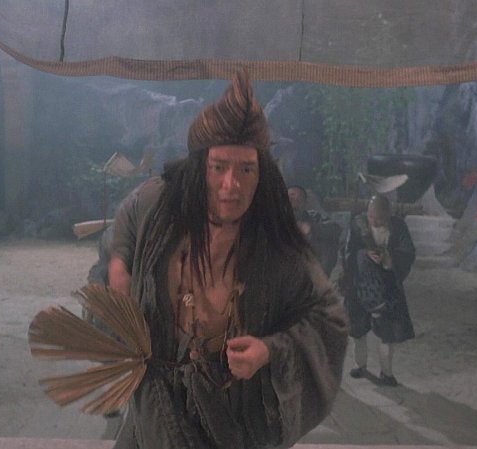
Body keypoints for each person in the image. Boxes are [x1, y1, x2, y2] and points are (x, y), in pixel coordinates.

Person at [107, 71, 347, 448]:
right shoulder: (159, 207)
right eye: (219, 167)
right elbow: (128, 216)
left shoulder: (277, 247)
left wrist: (269, 350)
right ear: (199, 168)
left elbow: (329, 318)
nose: (230, 185)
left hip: (230, 417)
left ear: (261, 174)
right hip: (155, 410)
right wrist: (120, 262)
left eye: (245, 169)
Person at [341, 194, 415, 387]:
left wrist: (389, 259)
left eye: (379, 219)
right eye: (371, 217)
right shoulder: (358, 224)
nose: (374, 222)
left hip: (387, 285)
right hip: (359, 283)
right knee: (357, 329)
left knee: (387, 333)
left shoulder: (398, 227)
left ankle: (387, 373)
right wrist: (364, 255)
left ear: (388, 215)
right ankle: (360, 365)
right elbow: (347, 252)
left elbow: (408, 252)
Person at [287, 185, 343, 277]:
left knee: (327, 241)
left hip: (310, 269)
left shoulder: (314, 217)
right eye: (290, 198)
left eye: (299, 200)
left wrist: (311, 229)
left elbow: (335, 229)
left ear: (304, 204)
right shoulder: (275, 220)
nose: (294, 203)